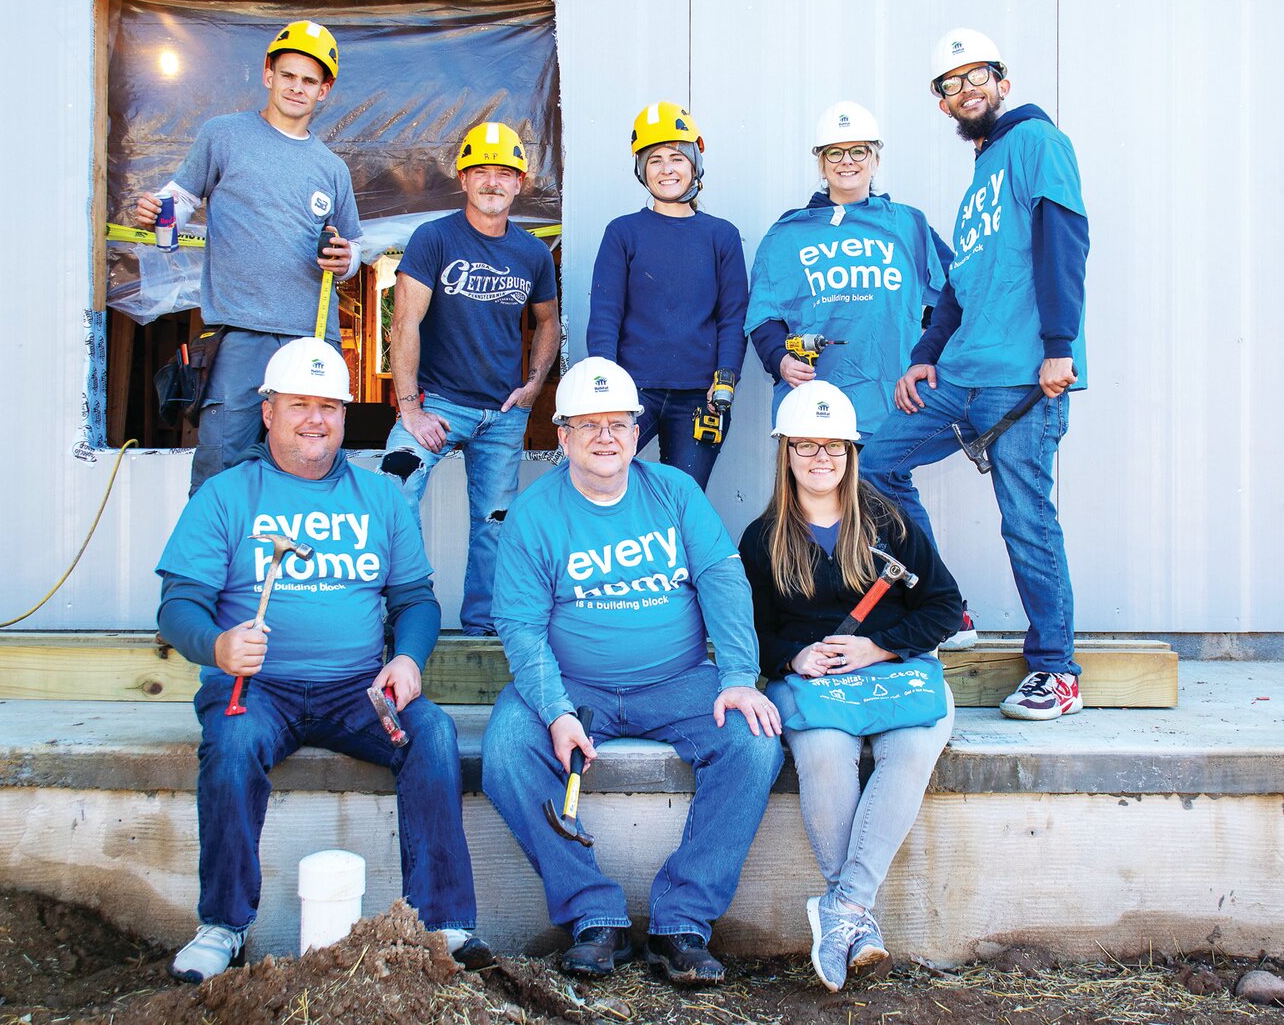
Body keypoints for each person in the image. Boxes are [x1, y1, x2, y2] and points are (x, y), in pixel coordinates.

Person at [154, 338, 490, 982]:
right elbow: (179, 607)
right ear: (269, 411)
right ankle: (222, 926)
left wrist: (410, 659)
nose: (316, 419)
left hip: (357, 693)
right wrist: (218, 645)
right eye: (299, 404)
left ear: (344, 415)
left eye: (329, 407)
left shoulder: (380, 497)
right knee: (231, 743)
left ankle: (443, 925)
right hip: (258, 689)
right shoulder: (227, 497)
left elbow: (416, 600)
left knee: (434, 732)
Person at [482, 357, 783, 988]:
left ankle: (683, 922)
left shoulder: (675, 492)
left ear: (636, 429)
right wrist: (557, 711)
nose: (605, 437)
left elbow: (722, 579)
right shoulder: (534, 515)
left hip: (677, 683)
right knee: (508, 746)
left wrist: (737, 675)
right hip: (574, 685)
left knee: (754, 743)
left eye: (617, 422)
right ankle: (595, 914)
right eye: (587, 425)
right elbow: (521, 627)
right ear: (561, 436)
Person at [859, 29, 1090, 721]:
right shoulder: (982, 173)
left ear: (1003, 80)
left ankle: (1058, 670)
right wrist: (924, 354)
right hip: (961, 373)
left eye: (976, 76)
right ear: (941, 105)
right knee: (871, 462)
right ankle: (947, 605)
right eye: (951, 84)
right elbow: (959, 285)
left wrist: (1059, 343)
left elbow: (1065, 240)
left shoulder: (1039, 143)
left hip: (1023, 375)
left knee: (1025, 519)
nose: (967, 90)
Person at [740, 381, 960, 992]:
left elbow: (946, 607)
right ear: (785, 452)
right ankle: (855, 918)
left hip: (894, 674)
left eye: (834, 447)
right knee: (826, 756)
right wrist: (795, 655)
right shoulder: (762, 540)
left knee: (913, 749)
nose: (821, 459)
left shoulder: (889, 521)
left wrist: (878, 646)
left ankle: (843, 907)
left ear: (851, 453)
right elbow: (752, 636)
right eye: (807, 447)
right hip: (813, 684)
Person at [135, 20, 364, 496]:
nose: (297, 88)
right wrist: (156, 210)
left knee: (310, 462)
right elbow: (179, 198)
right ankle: (208, 570)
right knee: (222, 464)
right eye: (288, 75)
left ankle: (300, 568)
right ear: (268, 75)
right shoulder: (224, 136)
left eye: (309, 81)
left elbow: (353, 249)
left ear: (325, 91)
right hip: (238, 332)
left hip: (310, 337)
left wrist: (347, 259)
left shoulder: (332, 168)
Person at [380, 122, 559, 636]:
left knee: (495, 525)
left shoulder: (530, 252)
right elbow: (403, 321)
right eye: (482, 171)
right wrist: (410, 407)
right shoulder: (434, 238)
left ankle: (481, 629)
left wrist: (533, 385)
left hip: (502, 414)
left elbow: (548, 320)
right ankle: (406, 614)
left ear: (519, 183)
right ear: (463, 178)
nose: (493, 183)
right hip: (438, 403)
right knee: (394, 491)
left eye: (504, 173)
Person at [746, 101, 951, 445]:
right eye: (835, 153)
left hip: (888, 404)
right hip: (810, 407)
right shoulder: (788, 234)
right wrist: (780, 359)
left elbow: (953, 293)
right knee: (813, 498)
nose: (847, 162)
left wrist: (928, 353)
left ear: (876, 160)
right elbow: (763, 317)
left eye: (858, 151)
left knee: (879, 497)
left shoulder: (908, 225)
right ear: (821, 164)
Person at [585, 102, 749, 491]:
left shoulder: (721, 235)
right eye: (654, 160)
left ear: (694, 164)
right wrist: (606, 385)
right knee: (595, 482)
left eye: (677, 157)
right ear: (642, 170)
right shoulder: (623, 232)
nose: (667, 169)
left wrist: (726, 376)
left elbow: (732, 316)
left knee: (682, 498)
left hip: (699, 396)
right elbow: (605, 313)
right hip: (632, 391)